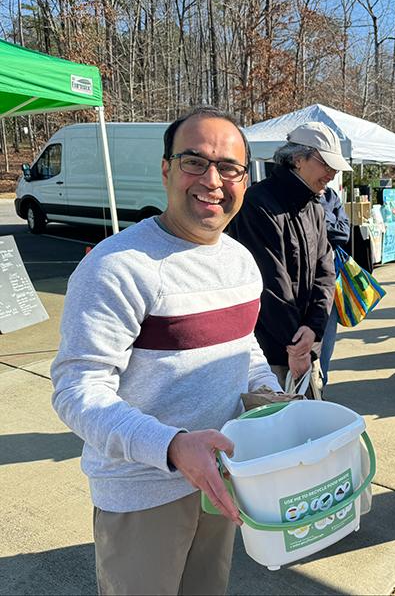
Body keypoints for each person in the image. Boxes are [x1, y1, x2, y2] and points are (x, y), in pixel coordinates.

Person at [51, 107, 284, 595]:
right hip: (141, 492)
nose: (212, 180)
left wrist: (271, 395)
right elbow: (77, 390)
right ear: (166, 169)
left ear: (246, 178)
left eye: (229, 168)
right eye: (194, 162)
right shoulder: (118, 267)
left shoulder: (241, 262)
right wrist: (174, 447)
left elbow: (244, 346)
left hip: (220, 479)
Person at [229, 122, 343, 391]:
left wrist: (313, 331)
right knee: (278, 426)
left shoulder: (314, 205)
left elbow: (325, 273)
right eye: (325, 164)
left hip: (303, 345)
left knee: (311, 423)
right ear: (297, 159)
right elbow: (269, 285)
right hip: (270, 354)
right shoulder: (257, 203)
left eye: (334, 167)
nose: (332, 173)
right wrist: (297, 346)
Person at [319, 186, 351, 387]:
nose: (329, 174)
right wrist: (330, 218)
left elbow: (343, 233)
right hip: (300, 290)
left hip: (330, 282)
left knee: (326, 347)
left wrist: (323, 220)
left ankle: (322, 389)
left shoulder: (331, 195)